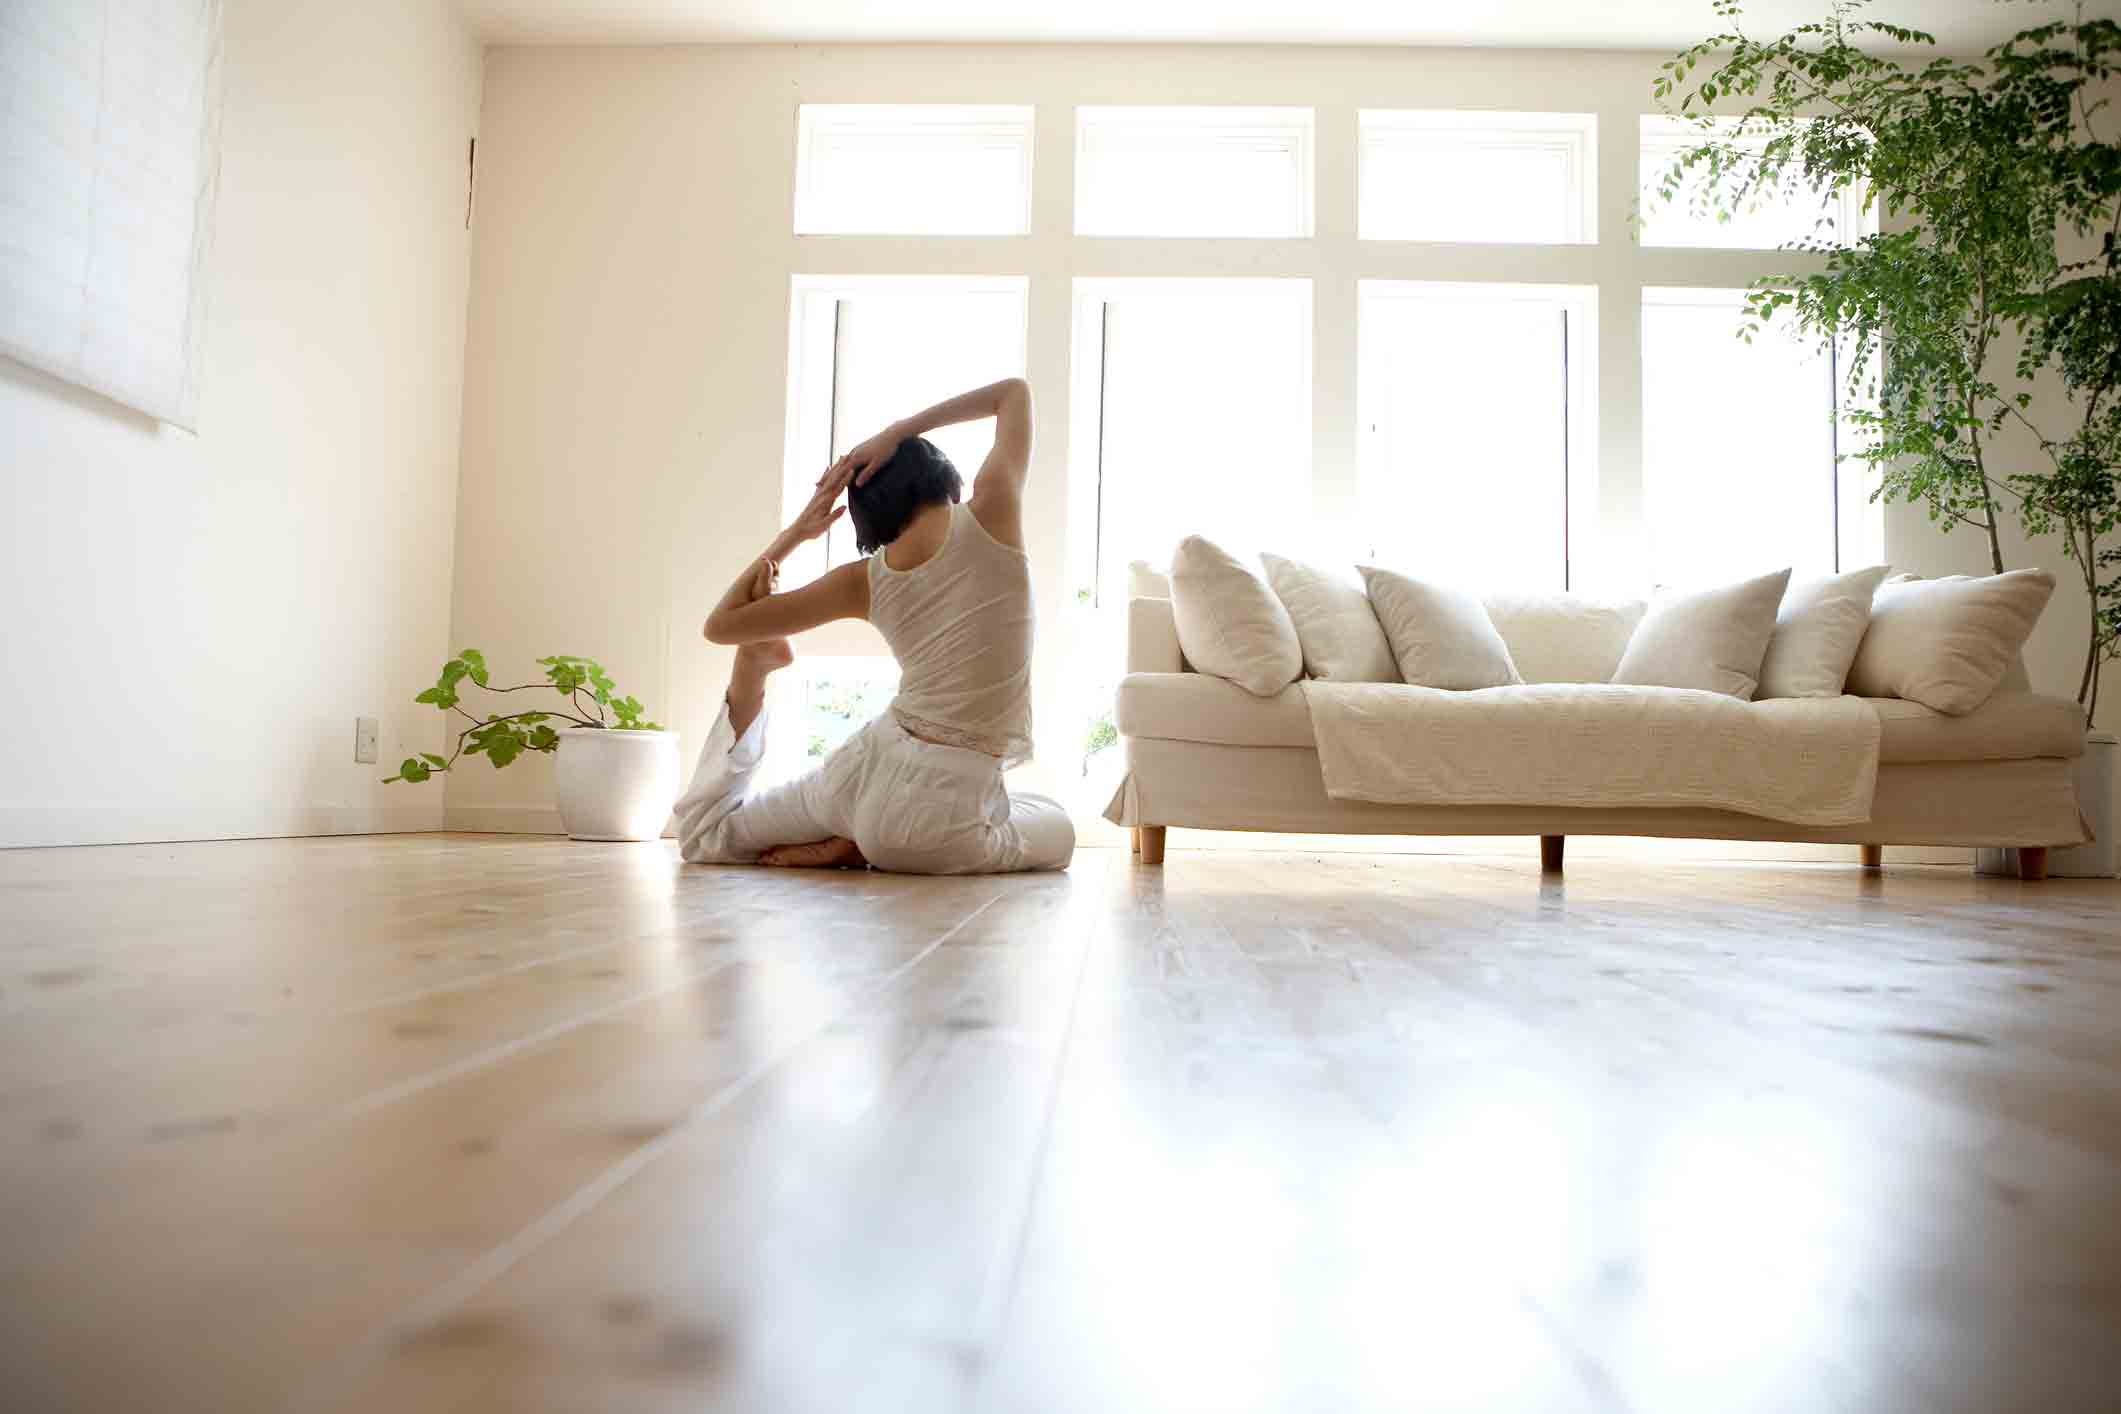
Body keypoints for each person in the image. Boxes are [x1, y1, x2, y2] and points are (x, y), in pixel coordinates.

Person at [673, 377, 1075, 875]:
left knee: (705, 837)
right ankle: (859, 842)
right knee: (1056, 825)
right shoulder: (993, 511)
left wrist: (798, 531)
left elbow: (721, 624)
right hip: (929, 823)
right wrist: (901, 430)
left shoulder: (862, 579)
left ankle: (754, 671)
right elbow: (1014, 393)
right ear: (940, 477)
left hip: (860, 771)